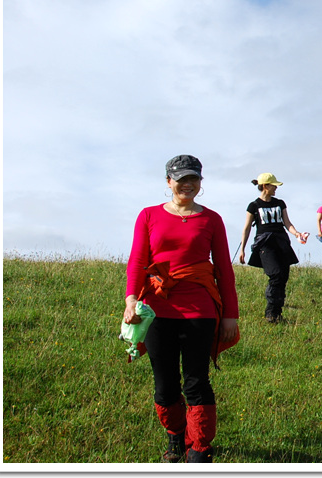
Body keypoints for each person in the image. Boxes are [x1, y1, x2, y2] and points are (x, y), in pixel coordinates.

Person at [123, 155, 240, 463]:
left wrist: (230, 315)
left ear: (201, 182)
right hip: (158, 309)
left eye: (194, 179)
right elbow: (137, 261)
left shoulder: (211, 219)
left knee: (197, 381)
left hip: (200, 310)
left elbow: (224, 271)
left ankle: (200, 449)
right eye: (181, 179)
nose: (188, 184)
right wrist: (131, 299)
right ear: (168, 182)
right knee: (164, 384)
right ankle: (176, 439)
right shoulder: (148, 215)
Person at [239, 173, 309, 323]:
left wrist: (297, 234)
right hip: (265, 244)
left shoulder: (280, 203)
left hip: (281, 242)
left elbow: (287, 223)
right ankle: (270, 312)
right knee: (275, 275)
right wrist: (242, 249)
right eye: (273, 185)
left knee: (283, 277)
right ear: (265, 186)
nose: (276, 188)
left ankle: (277, 313)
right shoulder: (254, 206)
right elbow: (246, 228)